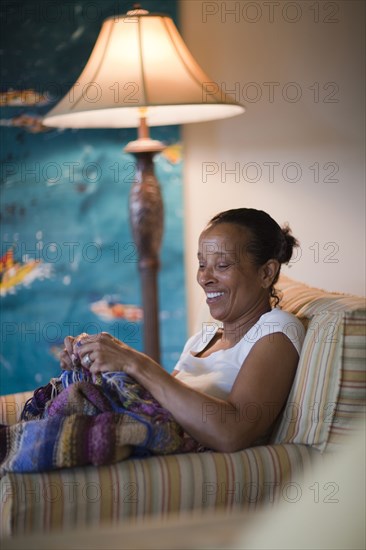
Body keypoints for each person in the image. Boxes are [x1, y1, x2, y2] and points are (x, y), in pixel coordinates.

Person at [61, 208, 305, 453]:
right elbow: (156, 406)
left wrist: (133, 362)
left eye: (222, 265)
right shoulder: (202, 339)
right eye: (201, 264)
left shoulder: (277, 329)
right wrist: (94, 361)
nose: (204, 278)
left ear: (266, 273)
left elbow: (232, 432)